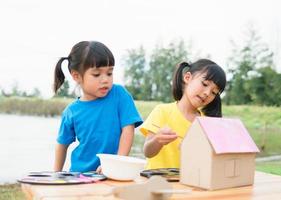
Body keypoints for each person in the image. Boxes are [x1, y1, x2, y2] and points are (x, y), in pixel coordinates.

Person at [53, 41, 143, 173]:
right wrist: (56, 174)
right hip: (80, 175)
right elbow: (62, 145)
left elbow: (128, 130)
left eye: (109, 73)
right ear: (76, 76)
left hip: (112, 172)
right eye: (96, 74)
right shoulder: (71, 112)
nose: (105, 79)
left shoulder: (119, 95)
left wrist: (117, 163)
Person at [140, 59, 226, 169]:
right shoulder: (162, 111)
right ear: (187, 77)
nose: (207, 93)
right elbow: (147, 152)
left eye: (214, 92)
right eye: (205, 84)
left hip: (188, 184)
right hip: (158, 182)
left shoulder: (207, 123)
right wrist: (157, 140)